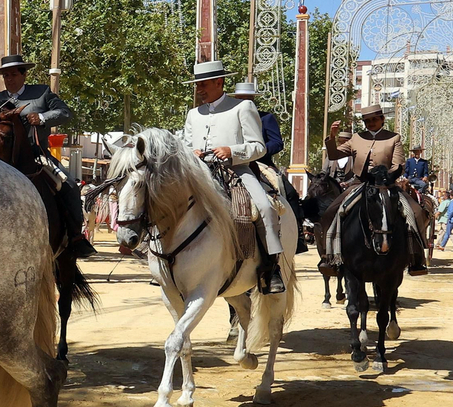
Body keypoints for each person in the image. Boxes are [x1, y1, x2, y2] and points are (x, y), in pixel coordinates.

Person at [182, 59, 287, 293]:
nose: (199, 89)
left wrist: (232, 150)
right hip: (197, 172)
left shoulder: (242, 108)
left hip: (236, 170)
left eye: (204, 84)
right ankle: (162, 261)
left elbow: (258, 147)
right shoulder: (193, 114)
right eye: (197, 84)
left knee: (265, 208)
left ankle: (271, 270)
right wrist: (192, 152)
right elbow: (186, 145)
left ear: (219, 82)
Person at [0, 53, 94, 258]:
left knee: (69, 185)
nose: (9, 79)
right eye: (5, 75)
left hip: (37, 156)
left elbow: (65, 112)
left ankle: (76, 238)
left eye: (13, 74)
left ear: (24, 75)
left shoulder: (41, 93)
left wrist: (42, 117)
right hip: (0, 162)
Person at [322, 103, 429, 276]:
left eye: (374, 119)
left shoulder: (393, 138)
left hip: (386, 184)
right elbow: (334, 155)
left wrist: (385, 177)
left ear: (382, 120)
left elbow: (399, 165)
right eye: (367, 120)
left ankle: (416, 258)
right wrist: (332, 137)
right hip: (360, 183)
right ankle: (329, 256)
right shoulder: (356, 138)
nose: (370, 123)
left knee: (415, 212)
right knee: (331, 211)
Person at [232, 81, 307, 253]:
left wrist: (258, 151)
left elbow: (277, 143)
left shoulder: (266, 118)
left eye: (247, 99)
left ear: (253, 100)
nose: (244, 102)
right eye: (240, 98)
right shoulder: (229, 118)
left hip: (261, 162)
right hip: (233, 163)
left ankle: (298, 238)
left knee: (291, 193)